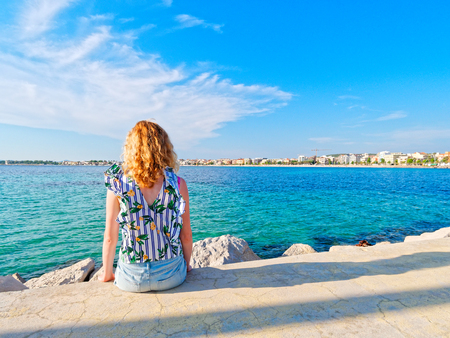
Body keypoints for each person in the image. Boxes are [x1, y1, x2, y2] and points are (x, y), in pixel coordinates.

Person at [98, 120, 193, 292]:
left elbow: (110, 238)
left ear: (131, 148)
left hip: (131, 279)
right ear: (164, 148)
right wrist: (186, 266)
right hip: (172, 275)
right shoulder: (178, 184)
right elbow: (185, 236)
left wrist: (107, 273)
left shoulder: (118, 184)